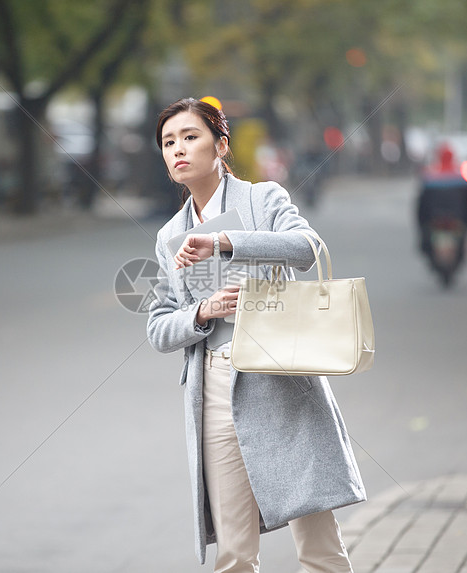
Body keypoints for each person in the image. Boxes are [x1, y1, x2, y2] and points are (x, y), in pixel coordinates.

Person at [147, 98, 365, 572]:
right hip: (214, 390)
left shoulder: (262, 198)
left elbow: (307, 248)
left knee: (318, 547)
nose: (178, 149)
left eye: (190, 137)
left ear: (220, 145)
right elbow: (159, 326)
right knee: (234, 554)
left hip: (277, 376)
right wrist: (202, 311)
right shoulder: (170, 235)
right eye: (168, 142)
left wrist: (226, 241)